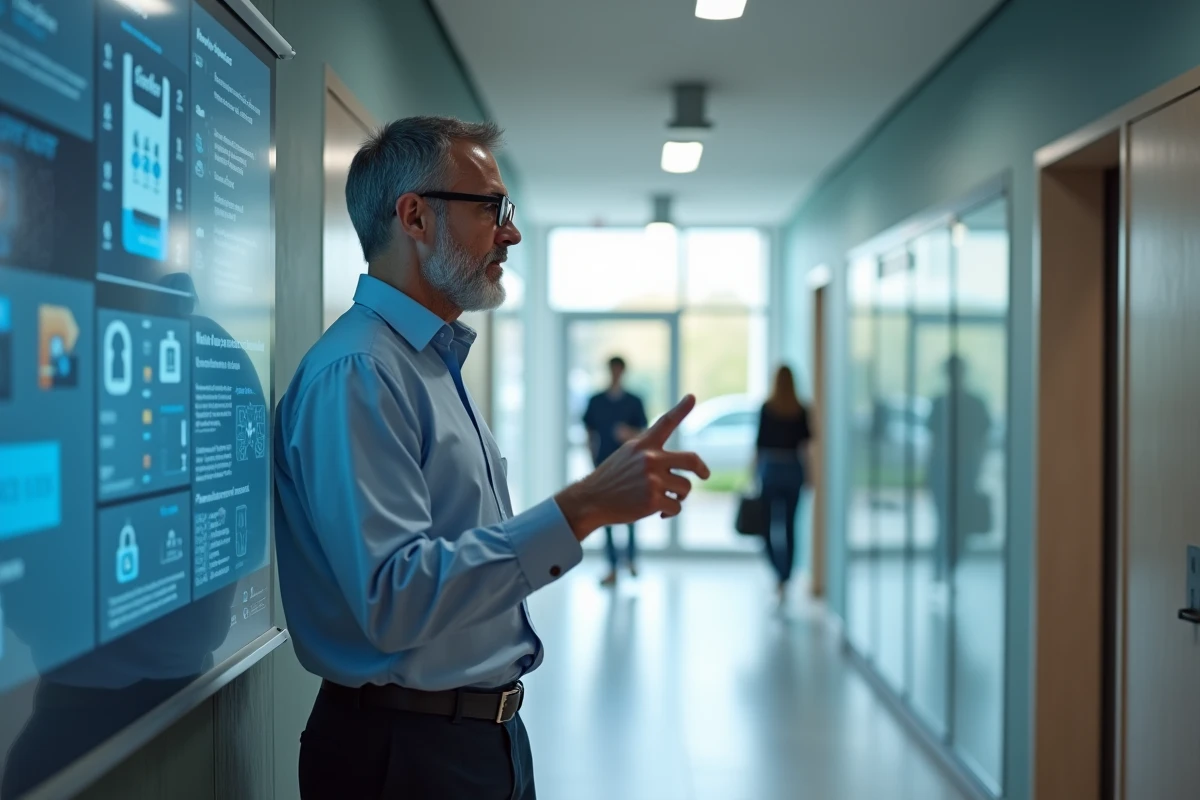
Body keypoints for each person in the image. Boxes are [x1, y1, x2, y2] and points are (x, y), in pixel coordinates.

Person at [272, 116, 710, 800]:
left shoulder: (430, 362)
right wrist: (584, 505)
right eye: (493, 209)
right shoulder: (360, 373)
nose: (512, 232)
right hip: (406, 756)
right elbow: (395, 598)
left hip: (483, 738)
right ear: (414, 217)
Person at [925, 355, 992, 583]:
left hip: (966, 469)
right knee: (944, 523)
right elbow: (933, 443)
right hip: (942, 470)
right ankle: (940, 571)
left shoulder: (976, 403)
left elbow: (983, 441)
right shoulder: (939, 403)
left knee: (959, 524)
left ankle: (949, 569)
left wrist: (979, 469)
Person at [583, 356, 648, 586]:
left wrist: (628, 434)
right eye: (613, 370)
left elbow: (643, 433)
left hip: (629, 466)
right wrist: (592, 460)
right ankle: (611, 567)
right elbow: (589, 433)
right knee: (606, 517)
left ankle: (630, 560)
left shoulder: (634, 401)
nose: (616, 374)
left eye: (619, 370)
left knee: (630, 515)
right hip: (604, 466)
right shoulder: (596, 401)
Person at [754, 365, 813, 606]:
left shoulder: (768, 408)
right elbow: (806, 449)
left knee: (767, 526)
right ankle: (784, 576)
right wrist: (809, 475)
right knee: (789, 526)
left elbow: (759, 446)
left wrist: (755, 474)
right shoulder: (800, 409)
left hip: (772, 469)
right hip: (792, 470)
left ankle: (780, 574)